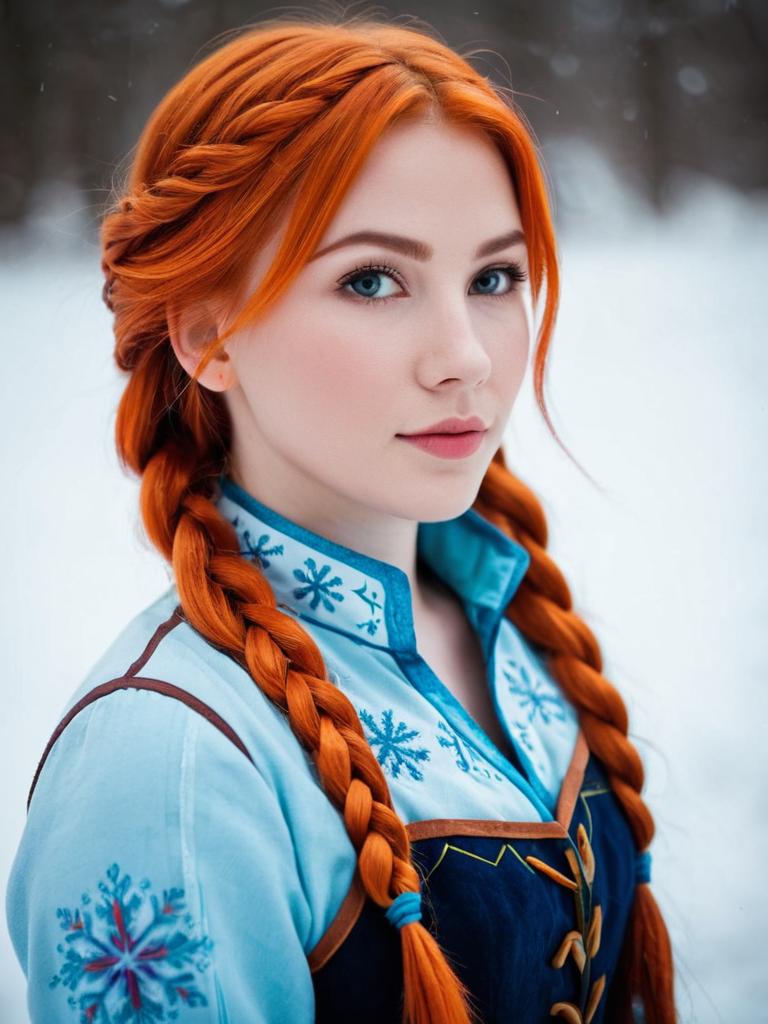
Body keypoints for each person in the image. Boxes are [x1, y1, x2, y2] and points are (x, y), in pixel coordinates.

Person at [5, 15, 677, 1024]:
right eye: (371, 280)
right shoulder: (167, 766)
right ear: (208, 332)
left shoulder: (516, 625)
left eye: (493, 278)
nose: (466, 357)